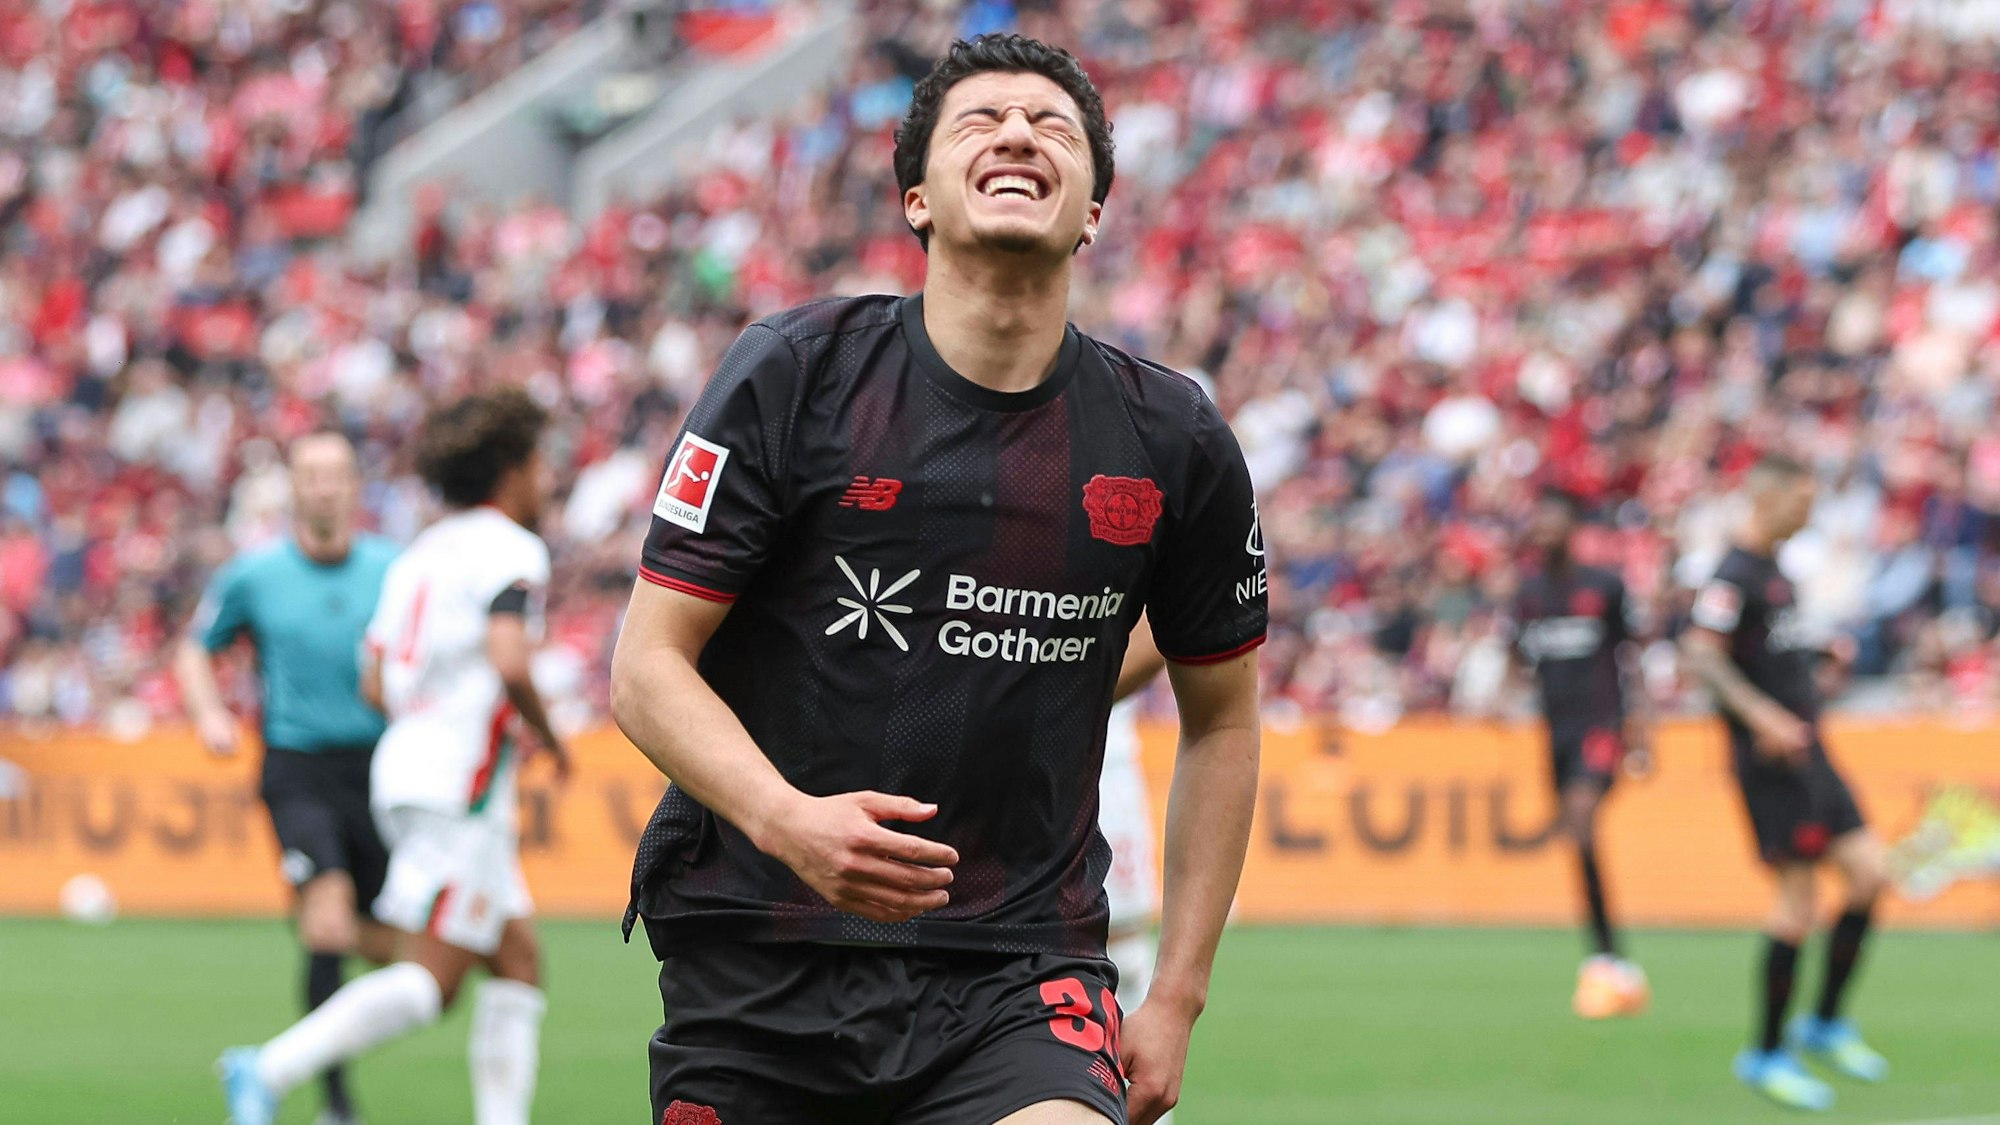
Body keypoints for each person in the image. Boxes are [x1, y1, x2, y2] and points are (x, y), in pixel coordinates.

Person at [610, 33, 1267, 1125]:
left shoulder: (1172, 439)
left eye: (1052, 126)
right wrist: (787, 821)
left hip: (1015, 967)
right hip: (760, 953)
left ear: (1093, 211)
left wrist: (1178, 997)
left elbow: (1224, 718)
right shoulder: (794, 375)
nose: (1017, 132)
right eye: (981, 120)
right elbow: (644, 668)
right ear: (915, 199)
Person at [219, 388, 573, 1125]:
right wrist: (550, 734)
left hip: (406, 767)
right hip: (460, 785)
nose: (547, 479)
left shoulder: (416, 555)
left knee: (517, 960)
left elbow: (375, 678)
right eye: (540, 464)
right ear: (509, 471)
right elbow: (510, 659)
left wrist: (427, 718)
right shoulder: (510, 547)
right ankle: (269, 1067)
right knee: (433, 978)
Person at [175, 430, 398, 1125]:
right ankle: (330, 1097)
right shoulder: (254, 574)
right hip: (297, 765)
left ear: (356, 486)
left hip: (383, 770)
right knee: (329, 918)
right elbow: (192, 647)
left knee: (391, 943)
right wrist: (211, 714)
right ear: (294, 488)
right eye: (311, 474)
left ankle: (285, 1068)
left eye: (337, 473)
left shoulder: (395, 568)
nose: (324, 486)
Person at [1681, 453, 1891, 1113]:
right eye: (1802, 501)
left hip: (1812, 752)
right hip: (1772, 763)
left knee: (1869, 873)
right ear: (1767, 500)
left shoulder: (1777, 575)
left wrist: (1818, 652)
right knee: (1796, 902)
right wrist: (1760, 713)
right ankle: (1767, 1052)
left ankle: (1824, 1022)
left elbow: (1768, 648)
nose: (1810, 513)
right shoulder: (1731, 574)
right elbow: (1700, 654)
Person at [1509, 488, 1651, 1019]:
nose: (1543, 532)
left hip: (1601, 725)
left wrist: (1642, 727)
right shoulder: (1527, 594)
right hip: (1557, 732)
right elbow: (1517, 653)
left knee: (1582, 819)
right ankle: (1611, 960)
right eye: (1538, 524)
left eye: (1552, 523)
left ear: (1573, 529)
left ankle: (1607, 959)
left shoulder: (1605, 586)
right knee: (1578, 840)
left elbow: (1631, 657)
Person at [1102, 617, 1171, 1125]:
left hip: (1105, 764)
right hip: (990, 757)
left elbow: (1161, 623)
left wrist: (1050, 693)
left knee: (1124, 964)